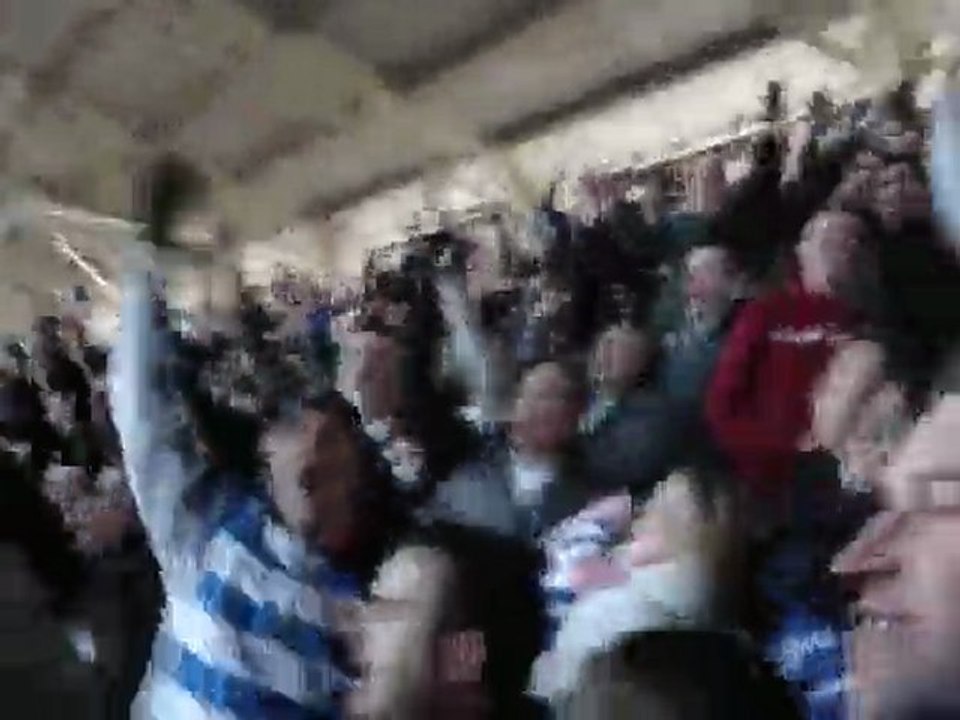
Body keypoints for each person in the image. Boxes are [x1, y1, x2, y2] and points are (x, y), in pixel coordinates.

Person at [112, 159, 410, 719]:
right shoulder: (206, 532)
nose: (315, 452)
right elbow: (143, 412)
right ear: (266, 454)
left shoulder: (362, 608)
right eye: (300, 433)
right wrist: (143, 272)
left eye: (334, 444)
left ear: (358, 481)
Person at [706, 210, 867, 529]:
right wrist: (786, 446)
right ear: (801, 250)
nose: (843, 247)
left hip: (852, 475)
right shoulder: (768, 312)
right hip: (776, 484)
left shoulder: (867, 317)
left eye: (853, 240)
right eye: (828, 239)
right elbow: (721, 406)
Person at [430, 361, 596, 542]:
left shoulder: (592, 490)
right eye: (542, 396)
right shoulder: (469, 477)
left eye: (562, 397)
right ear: (515, 405)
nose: (551, 408)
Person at [582, 325, 676, 497]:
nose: (603, 355)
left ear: (639, 364)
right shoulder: (576, 396)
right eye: (602, 346)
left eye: (614, 349)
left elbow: (626, 469)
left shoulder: (651, 414)